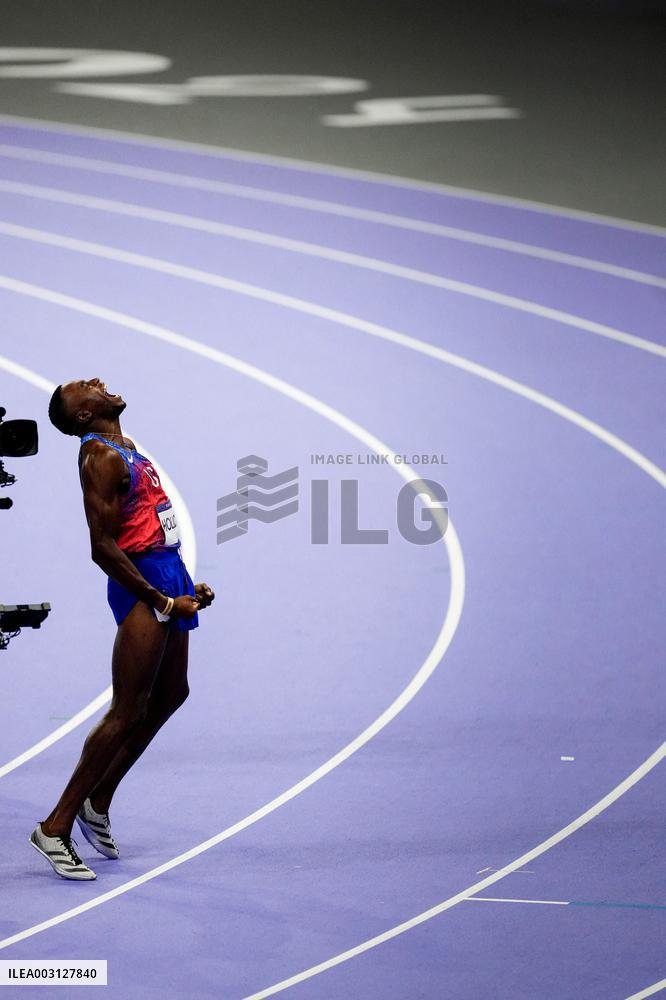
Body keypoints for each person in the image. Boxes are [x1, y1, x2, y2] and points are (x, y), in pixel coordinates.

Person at [30, 377, 215, 880]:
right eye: (84, 387)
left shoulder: (126, 445)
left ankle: (99, 799)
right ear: (83, 415)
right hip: (142, 586)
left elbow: (148, 521)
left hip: (166, 571)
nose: (96, 382)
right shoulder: (100, 457)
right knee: (127, 709)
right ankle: (55, 826)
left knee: (171, 693)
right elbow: (102, 546)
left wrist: (183, 583)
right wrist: (160, 599)